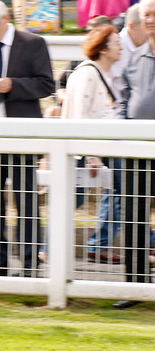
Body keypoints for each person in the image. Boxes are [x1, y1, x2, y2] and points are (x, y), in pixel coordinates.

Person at [0, 0, 55, 277]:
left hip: (21, 136)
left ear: (6, 18)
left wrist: (13, 85)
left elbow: (46, 84)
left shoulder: (32, 43)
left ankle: (30, 264)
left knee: (26, 202)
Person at [59, 25, 125, 266]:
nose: (121, 47)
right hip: (89, 151)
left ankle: (98, 244)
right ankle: (97, 245)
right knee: (79, 197)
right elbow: (81, 114)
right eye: (117, 43)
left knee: (76, 197)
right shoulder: (89, 73)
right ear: (104, 48)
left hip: (94, 149)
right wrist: (92, 155)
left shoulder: (100, 73)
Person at [112, 0, 155, 308]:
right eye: (147, 16)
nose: (151, 21)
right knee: (134, 219)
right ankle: (135, 287)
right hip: (136, 154)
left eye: (154, 15)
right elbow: (124, 104)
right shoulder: (133, 61)